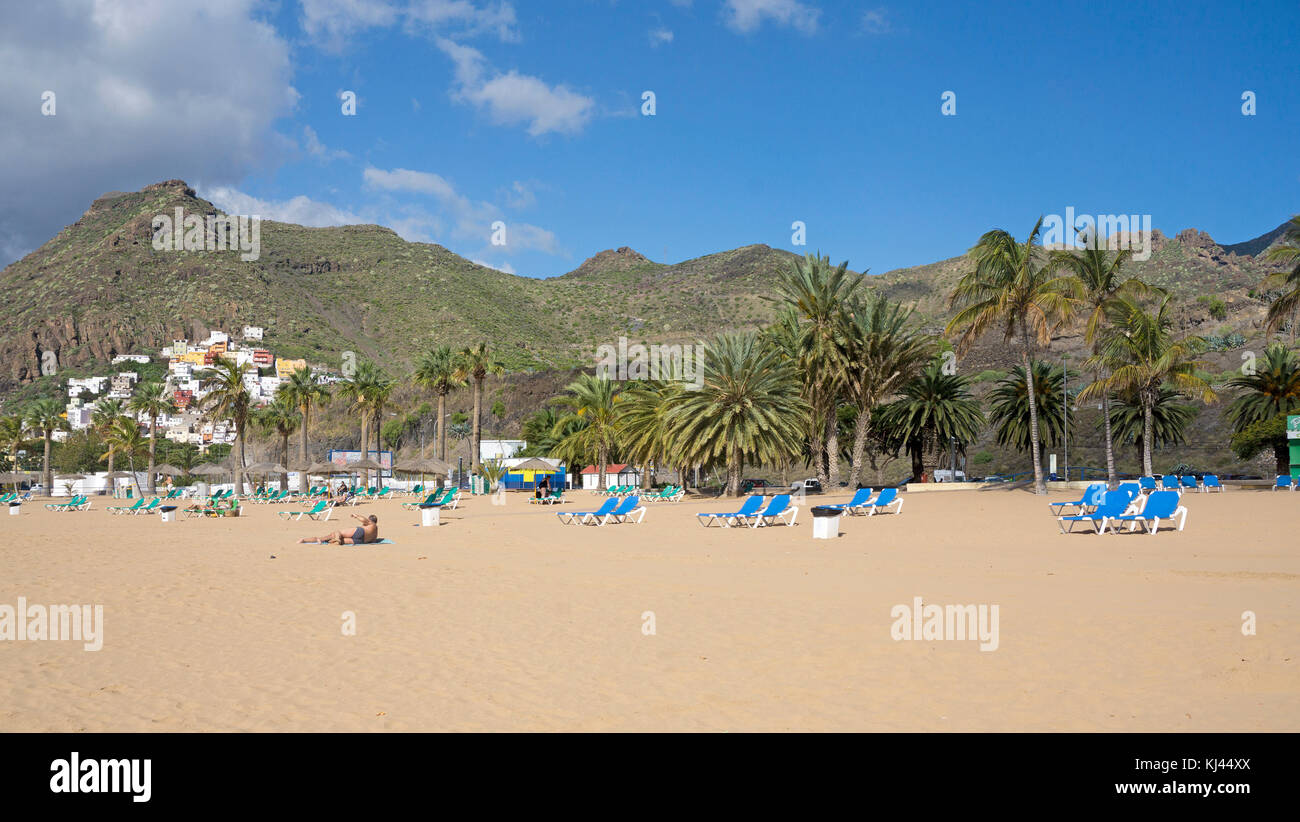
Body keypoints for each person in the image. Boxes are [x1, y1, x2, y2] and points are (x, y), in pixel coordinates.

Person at [299, 513, 379, 545]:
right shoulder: (375, 531)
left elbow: (364, 520)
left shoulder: (371, 524)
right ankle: (335, 540)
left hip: (360, 532)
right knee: (339, 541)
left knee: (337, 532)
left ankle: (308, 540)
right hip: (361, 541)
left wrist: (356, 516)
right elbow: (373, 541)